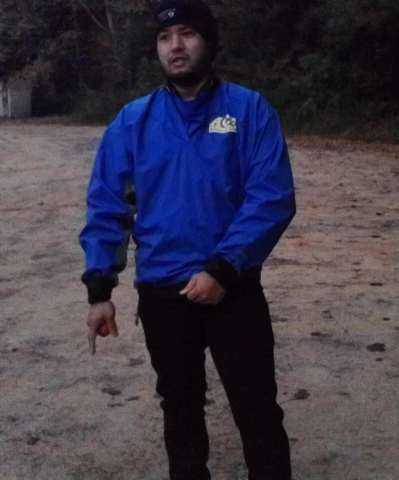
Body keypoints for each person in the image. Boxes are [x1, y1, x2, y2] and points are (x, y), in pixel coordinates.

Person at [78, 1, 296, 478]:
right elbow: (108, 206)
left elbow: (271, 197)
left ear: (209, 41)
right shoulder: (132, 122)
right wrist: (100, 289)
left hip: (232, 289)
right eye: (164, 37)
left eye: (187, 33)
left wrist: (222, 268)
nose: (175, 46)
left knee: (257, 409)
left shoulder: (249, 111)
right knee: (180, 410)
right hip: (163, 294)